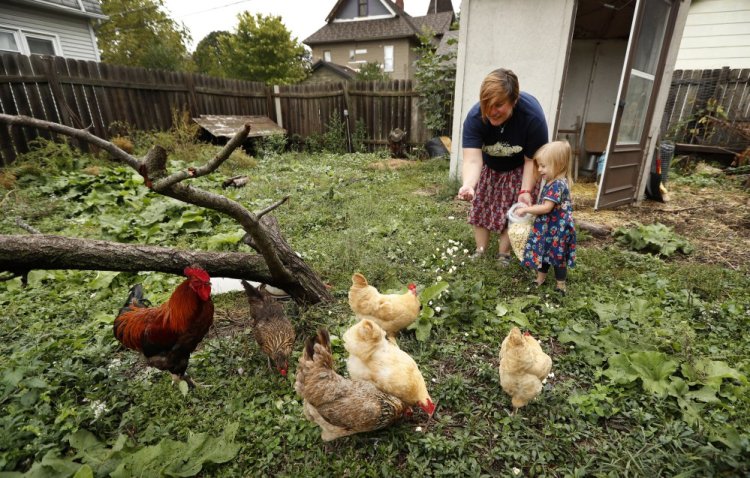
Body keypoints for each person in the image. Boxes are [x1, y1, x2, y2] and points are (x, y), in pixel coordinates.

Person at [456, 68, 549, 265]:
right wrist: (469, 184)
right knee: (481, 204)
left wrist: (525, 190)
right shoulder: (475, 118)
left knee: (514, 208)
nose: (491, 111)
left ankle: (503, 254)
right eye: (486, 104)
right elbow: (472, 159)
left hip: (520, 167)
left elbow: (532, 160)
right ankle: (480, 250)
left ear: (514, 100)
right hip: (490, 166)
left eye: (498, 105)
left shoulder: (532, 117)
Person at [516, 141, 576, 295]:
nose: (539, 169)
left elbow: (546, 207)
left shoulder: (557, 185)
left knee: (558, 257)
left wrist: (526, 210)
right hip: (551, 228)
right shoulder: (553, 182)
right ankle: (540, 279)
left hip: (556, 231)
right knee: (544, 254)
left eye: (543, 166)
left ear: (559, 164)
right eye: (539, 165)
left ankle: (560, 285)